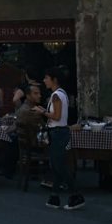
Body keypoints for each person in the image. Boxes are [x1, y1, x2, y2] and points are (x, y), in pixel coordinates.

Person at [38, 66, 85, 210]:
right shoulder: (62, 94)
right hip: (60, 132)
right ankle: (54, 196)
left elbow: (56, 116)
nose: (44, 80)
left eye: (47, 78)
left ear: (54, 80)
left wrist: (43, 112)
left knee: (59, 165)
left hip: (58, 132)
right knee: (57, 164)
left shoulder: (56, 95)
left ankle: (75, 194)